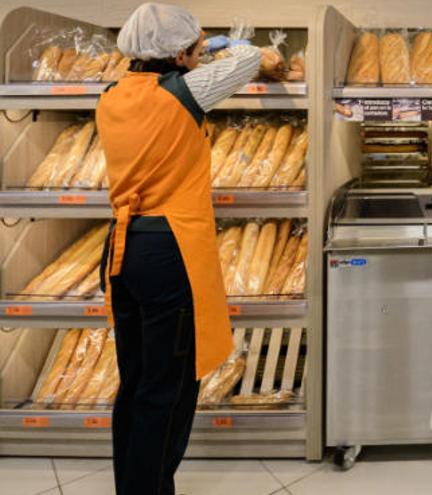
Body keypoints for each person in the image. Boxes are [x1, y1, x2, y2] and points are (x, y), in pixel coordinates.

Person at [95, 4, 260, 494]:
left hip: (124, 249)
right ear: (180, 53)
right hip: (170, 249)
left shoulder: (111, 95)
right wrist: (215, 46)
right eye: (192, 48)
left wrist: (190, 50)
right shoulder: (182, 93)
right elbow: (250, 58)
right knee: (169, 386)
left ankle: (132, 484)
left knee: (137, 382)